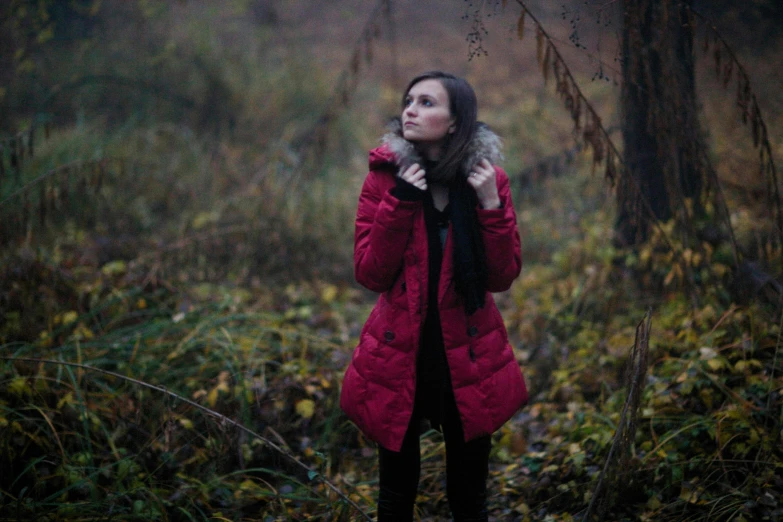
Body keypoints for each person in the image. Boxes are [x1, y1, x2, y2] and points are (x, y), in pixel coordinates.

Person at [340, 71, 528, 522]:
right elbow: (371, 273)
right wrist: (401, 199)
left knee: (468, 497)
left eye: (427, 102)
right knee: (395, 497)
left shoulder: (489, 180)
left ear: (455, 121)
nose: (410, 109)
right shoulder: (385, 180)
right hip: (400, 353)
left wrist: (489, 207)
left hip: (467, 354)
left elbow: (502, 276)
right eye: (409, 100)